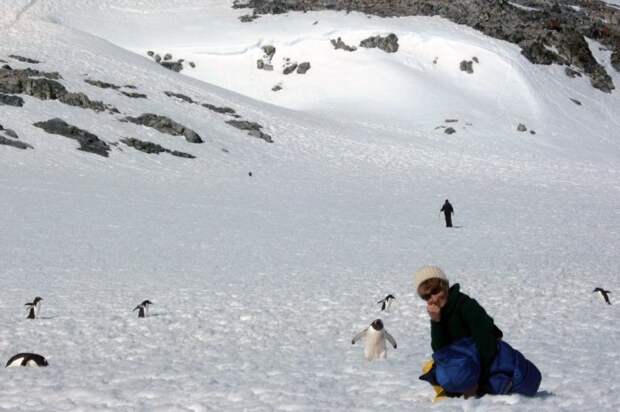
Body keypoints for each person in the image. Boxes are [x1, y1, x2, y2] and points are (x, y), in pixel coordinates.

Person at [415, 265, 541, 399]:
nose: (433, 298)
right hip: (468, 364)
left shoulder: (466, 306)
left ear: (444, 285)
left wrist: (473, 382)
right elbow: (441, 352)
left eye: (435, 291)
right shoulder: (440, 313)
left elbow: (488, 346)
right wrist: (436, 322)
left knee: (450, 374)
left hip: (489, 363)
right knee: (432, 368)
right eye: (426, 296)